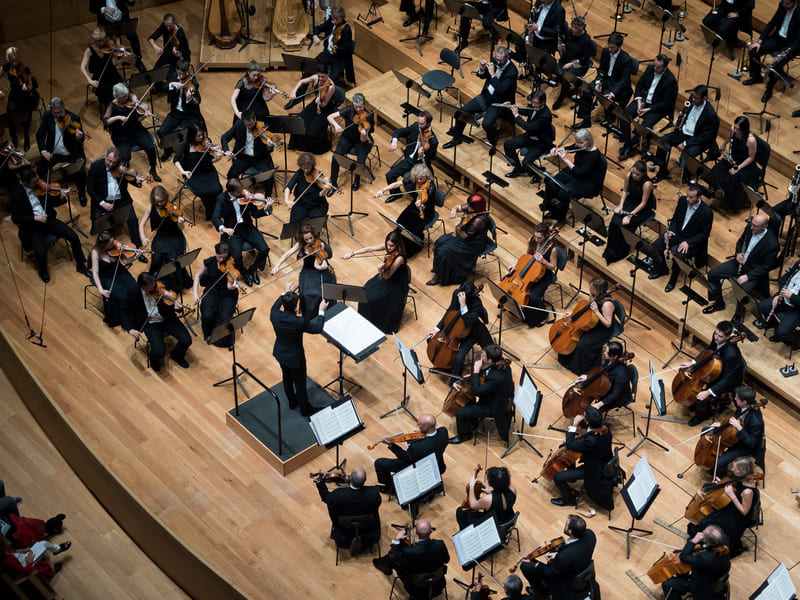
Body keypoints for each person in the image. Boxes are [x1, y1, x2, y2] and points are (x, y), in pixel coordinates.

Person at [10, 168, 90, 283]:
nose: (38, 183)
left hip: (48, 219)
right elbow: (15, 218)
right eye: (34, 182)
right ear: (26, 183)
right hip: (33, 226)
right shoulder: (16, 194)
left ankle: (81, 266)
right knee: (40, 252)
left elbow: (51, 202)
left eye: (37, 179)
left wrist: (61, 197)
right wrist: (34, 218)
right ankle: (43, 272)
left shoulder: (40, 186)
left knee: (73, 236)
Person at [270, 281, 328, 417]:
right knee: (300, 383)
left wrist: (285, 292)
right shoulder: (298, 322)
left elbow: (275, 305)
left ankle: (292, 402)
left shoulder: (274, 315)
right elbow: (317, 328)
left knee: (287, 378)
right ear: (296, 306)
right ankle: (305, 410)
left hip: (280, 353)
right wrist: (321, 311)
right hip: (296, 358)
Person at [442, 46, 518, 149]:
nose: (498, 62)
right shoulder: (494, 61)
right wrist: (482, 69)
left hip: (499, 102)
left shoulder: (512, 72)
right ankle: (457, 138)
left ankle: (493, 140)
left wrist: (493, 74)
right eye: (497, 59)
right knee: (462, 112)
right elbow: (483, 76)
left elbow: (501, 91)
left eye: (501, 60)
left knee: (486, 124)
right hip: (486, 96)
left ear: (508, 57)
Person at [703, 214, 778, 314]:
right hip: (739, 263)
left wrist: (748, 276)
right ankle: (719, 302)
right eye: (751, 224)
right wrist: (738, 253)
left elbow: (766, 267)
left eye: (755, 226)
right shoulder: (749, 228)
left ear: (764, 226)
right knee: (712, 274)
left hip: (753, 271)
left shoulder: (772, 244)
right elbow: (740, 242)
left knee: (742, 291)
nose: (751, 227)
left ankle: (738, 316)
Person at [687, 456, 760, 557]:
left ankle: (710, 542)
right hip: (733, 504)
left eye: (736, 469)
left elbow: (744, 511)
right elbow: (734, 485)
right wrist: (721, 484)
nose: (732, 469)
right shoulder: (743, 476)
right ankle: (705, 539)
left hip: (738, 516)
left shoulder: (748, 491)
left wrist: (732, 495)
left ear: (743, 471)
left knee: (706, 521)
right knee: (707, 489)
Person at [649, 184, 714, 293]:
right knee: (655, 246)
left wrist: (688, 242)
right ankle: (662, 269)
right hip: (677, 233)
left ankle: (672, 281)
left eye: (691, 197)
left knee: (678, 257)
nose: (687, 198)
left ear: (699, 198)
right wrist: (670, 231)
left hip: (690, 241)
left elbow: (704, 234)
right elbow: (675, 219)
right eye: (687, 195)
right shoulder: (682, 200)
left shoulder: (707, 212)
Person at [121, 272, 192, 371]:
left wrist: (177, 308)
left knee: (187, 340)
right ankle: (154, 361)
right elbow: (125, 311)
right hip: (150, 324)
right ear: (142, 287)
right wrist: (130, 329)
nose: (155, 289)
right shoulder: (133, 293)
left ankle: (177, 355)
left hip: (168, 319)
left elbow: (171, 304)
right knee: (158, 351)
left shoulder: (161, 286)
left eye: (154, 286)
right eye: (151, 288)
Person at [679, 320, 745, 426]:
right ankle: (691, 399)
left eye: (720, 336)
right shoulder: (716, 338)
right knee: (685, 370)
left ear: (728, 337)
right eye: (716, 333)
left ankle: (701, 416)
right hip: (716, 368)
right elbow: (709, 350)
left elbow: (728, 379)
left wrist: (709, 391)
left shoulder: (732, 354)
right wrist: (693, 362)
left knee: (702, 399)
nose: (716, 337)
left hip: (728, 380)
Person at [344, 230, 410, 334]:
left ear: (397, 244)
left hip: (395, 282)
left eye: (391, 246)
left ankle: (374, 322)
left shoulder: (399, 258)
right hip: (385, 275)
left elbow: (387, 276)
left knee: (373, 299)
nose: (389, 248)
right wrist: (353, 253)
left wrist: (380, 270)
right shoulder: (388, 247)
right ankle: (365, 319)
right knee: (364, 292)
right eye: (387, 245)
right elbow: (370, 249)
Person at [212, 178, 272, 287]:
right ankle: (244, 273)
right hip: (233, 231)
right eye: (239, 192)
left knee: (264, 249)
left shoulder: (246, 196)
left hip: (248, 227)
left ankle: (253, 269)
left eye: (241, 190)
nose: (242, 193)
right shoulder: (221, 199)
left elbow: (255, 214)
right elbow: (215, 218)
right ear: (231, 192)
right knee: (237, 256)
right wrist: (224, 229)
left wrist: (266, 208)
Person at [520, 514, 597, 600]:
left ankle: (542, 594)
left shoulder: (563, 558)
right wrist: (560, 553)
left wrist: (534, 562)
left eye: (566, 525)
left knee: (525, 567)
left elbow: (550, 574)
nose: (565, 525)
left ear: (570, 532)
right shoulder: (591, 535)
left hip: (565, 583)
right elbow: (574, 549)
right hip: (579, 565)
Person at [449, 344, 515, 444]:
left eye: (483, 356)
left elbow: (477, 391)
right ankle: (472, 421)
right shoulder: (502, 364)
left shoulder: (496, 378)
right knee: (467, 399)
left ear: (490, 360)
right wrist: (474, 376)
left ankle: (465, 435)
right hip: (495, 396)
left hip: (494, 406)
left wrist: (476, 371)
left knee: (460, 413)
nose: (481, 356)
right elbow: (488, 372)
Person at [550, 406, 614, 509]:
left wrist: (574, 424)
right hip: (603, 460)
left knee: (557, 477)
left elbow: (570, 444)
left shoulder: (592, 441)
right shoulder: (604, 427)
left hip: (594, 470)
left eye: (584, 416)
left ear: (587, 422)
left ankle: (569, 500)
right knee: (573, 452)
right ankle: (572, 479)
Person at [654, 85, 720, 183]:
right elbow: (686, 114)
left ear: (704, 98)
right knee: (663, 140)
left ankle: (686, 175)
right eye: (693, 96)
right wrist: (679, 120)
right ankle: (662, 171)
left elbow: (706, 136)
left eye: (696, 98)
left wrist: (685, 143)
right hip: (683, 132)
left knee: (689, 153)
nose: (693, 99)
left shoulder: (710, 113)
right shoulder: (692, 99)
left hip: (697, 139)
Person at [427, 281, 492, 382]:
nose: (459, 296)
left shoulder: (477, 303)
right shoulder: (457, 293)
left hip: (470, 332)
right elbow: (450, 310)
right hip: (454, 330)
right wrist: (436, 329)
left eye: (462, 296)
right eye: (459, 294)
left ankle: (454, 382)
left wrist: (463, 305)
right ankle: (444, 365)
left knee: (459, 358)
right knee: (432, 340)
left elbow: (469, 322)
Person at [87, 148, 146, 255]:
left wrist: (136, 180)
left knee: (133, 220)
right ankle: (107, 252)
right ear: (105, 157)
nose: (111, 164)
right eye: (109, 161)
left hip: (121, 200)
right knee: (100, 226)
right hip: (103, 201)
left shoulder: (122, 166)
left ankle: (137, 249)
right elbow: (90, 189)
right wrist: (102, 203)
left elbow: (130, 178)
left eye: (114, 162)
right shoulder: (95, 167)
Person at [271, 223, 337, 320]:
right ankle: (309, 315)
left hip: (320, 267)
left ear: (314, 235)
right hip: (308, 269)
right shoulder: (300, 244)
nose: (310, 241)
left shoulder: (320, 244)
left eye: (311, 238)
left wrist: (322, 268)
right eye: (307, 239)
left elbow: (316, 265)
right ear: (302, 239)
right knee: (306, 294)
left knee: (322, 293)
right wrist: (277, 266)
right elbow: (287, 254)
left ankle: (326, 312)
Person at [618, 54, 678, 159]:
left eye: (658, 67)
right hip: (644, 101)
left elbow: (666, 103)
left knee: (644, 127)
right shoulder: (650, 68)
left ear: (665, 67)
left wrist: (647, 109)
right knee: (624, 115)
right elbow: (639, 85)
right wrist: (639, 101)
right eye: (654, 65)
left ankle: (629, 146)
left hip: (656, 108)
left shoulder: (670, 80)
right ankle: (628, 144)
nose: (655, 68)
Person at [539, 128, 605, 223]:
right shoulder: (581, 146)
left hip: (587, 181)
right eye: (577, 142)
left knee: (563, 194)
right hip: (574, 172)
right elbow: (572, 147)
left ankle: (560, 218)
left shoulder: (594, 155)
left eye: (581, 143)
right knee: (551, 183)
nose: (578, 145)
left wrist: (565, 159)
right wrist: (560, 150)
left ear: (588, 141)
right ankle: (550, 208)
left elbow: (581, 172)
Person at [373, 519, 450, 599]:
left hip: (416, 589)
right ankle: (384, 564)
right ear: (431, 531)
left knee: (392, 558)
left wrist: (396, 540)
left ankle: (384, 565)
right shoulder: (440, 545)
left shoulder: (408, 552)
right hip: (438, 585)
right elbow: (446, 560)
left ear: (416, 533)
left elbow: (396, 558)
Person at [373, 414, 449, 494]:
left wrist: (391, 445)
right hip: (437, 465)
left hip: (416, 467)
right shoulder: (444, 431)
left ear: (425, 428)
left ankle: (391, 489)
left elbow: (405, 457)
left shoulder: (417, 448)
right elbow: (431, 442)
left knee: (379, 463)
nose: (418, 427)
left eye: (419, 425)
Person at [742, 0, 800, 102]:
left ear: (795, 2)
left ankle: (769, 90)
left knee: (776, 67)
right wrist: (759, 41)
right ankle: (757, 77)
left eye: (787, 4)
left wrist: (785, 53)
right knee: (753, 51)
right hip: (777, 38)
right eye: (784, 2)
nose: (784, 5)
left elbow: (798, 40)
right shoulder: (782, 5)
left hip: (790, 45)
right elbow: (772, 23)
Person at [502, 222, 558, 327]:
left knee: (533, 296)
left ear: (546, 236)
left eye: (539, 238)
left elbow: (553, 267)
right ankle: (514, 307)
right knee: (506, 279)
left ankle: (543, 316)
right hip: (529, 268)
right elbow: (527, 256)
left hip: (544, 274)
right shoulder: (531, 240)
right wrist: (516, 266)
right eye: (535, 236)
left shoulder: (552, 249)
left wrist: (543, 261)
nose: (536, 240)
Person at [557, 277, 617, 375]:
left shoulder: (607, 304)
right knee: (572, 336)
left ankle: (580, 368)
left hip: (602, 329)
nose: (589, 289)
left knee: (582, 344)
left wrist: (597, 311)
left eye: (592, 288)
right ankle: (567, 359)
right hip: (593, 322)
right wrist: (573, 314)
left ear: (598, 290)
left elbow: (608, 323)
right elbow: (587, 309)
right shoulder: (595, 296)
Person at [35, 97, 88, 206]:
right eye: (55, 113)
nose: (58, 115)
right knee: (40, 168)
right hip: (53, 152)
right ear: (51, 110)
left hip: (71, 152)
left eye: (60, 112)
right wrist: (44, 151)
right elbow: (40, 135)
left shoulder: (74, 118)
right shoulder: (47, 116)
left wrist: (79, 138)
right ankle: (45, 191)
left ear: (63, 107)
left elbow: (80, 141)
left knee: (82, 172)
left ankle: (82, 193)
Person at [428, 193, 490, 286]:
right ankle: (439, 270)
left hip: (472, 243)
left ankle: (441, 276)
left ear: (477, 207)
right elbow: (457, 207)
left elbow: (465, 235)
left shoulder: (479, 220)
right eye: (468, 205)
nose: (468, 207)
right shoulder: (471, 208)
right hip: (463, 234)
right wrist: (453, 211)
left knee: (444, 251)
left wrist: (457, 228)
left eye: (470, 206)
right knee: (440, 241)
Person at [103, 83, 160, 182]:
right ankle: (127, 175)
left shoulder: (131, 102)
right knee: (125, 155)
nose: (127, 98)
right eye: (124, 96)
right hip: (121, 135)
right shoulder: (112, 106)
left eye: (126, 95)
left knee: (150, 147)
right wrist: (119, 117)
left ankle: (153, 170)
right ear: (118, 97)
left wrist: (144, 116)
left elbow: (137, 120)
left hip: (136, 130)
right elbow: (106, 121)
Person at [602, 160, 656, 264]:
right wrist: (620, 205)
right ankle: (611, 250)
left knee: (623, 225)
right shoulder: (628, 176)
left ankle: (622, 250)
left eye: (637, 174)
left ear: (643, 173)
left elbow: (644, 203)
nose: (634, 176)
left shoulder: (647, 184)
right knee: (614, 221)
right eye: (633, 173)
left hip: (642, 208)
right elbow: (625, 191)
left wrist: (630, 216)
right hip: (631, 201)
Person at [315, 466, 382, 551]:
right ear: (365, 481)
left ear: (350, 479)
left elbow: (326, 498)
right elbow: (375, 509)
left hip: (344, 531)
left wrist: (321, 482)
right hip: (368, 529)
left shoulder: (337, 495)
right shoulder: (374, 493)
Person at [575, 32, 633, 130]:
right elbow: (601, 69)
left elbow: (623, 80)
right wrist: (598, 82)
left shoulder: (626, 59)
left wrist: (612, 93)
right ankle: (586, 120)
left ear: (619, 46)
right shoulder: (606, 51)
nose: (610, 50)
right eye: (609, 47)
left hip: (617, 84)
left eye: (613, 48)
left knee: (606, 98)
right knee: (587, 90)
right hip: (605, 80)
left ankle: (610, 119)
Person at [376, 164, 436, 257]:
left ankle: (411, 247)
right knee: (400, 223)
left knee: (411, 230)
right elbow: (397, 184)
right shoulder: (415, 179)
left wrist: (421, 205)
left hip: (425, 211)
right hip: (414, 206)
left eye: (421, 179)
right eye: (417, 179)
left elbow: (426, 203)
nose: (419, 181)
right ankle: (398, 243)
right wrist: (383, 189)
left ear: (427, 177)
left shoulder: (431, 187)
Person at [138, 185, 189, 291]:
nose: (160, 204)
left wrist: (180, 223)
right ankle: (155, 282)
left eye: (161, 201)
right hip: (161, 237)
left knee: (172, 259)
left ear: (166, 198)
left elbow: (181, 228)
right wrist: (143, 238)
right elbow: (141, 224)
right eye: (157, 202)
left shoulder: (173, 208)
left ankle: (175, 285)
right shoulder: (150, 208)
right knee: (156, 258)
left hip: (175, 237)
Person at [661, 525, 731, 600]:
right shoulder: (724, 542)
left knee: (667, 584)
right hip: (714, 577)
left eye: (703, 533)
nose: (701, 532)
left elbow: (683, 557)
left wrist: (693, 541)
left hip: (701, 586)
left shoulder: (706, 558)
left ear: (707, 542)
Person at [192, 242, 241, 344]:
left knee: (225, 319)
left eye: (224, 257)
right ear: (215, 253)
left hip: (227, 294)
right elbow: (197, 276)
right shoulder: (209, 262)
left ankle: (220, 338)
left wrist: (233, 286)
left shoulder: (230, 263)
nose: (222, 260)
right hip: (212, 291)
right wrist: (195, 294)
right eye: (219, 257)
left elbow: (229, 286)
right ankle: (208, 334)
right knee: (208, 315)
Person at [90, 231, 141, 327]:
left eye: (113, 241)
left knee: (134, 288)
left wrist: (135, 257)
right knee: (121, 296)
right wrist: (101, 290)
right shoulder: (95, 252)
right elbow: (95, 273)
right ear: (103, 245)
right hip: (106, 277)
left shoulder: (117, 246)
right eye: (111, 243)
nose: (114, 244)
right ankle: (124, 319)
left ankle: (136, 315)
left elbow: (125, 261)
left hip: (119, 272)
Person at [173, 124, 224, 219]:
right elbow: (176, 160)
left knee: (218, 189)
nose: (201, 137)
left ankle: (216, 210)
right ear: (192, 135)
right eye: (198, 136)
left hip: (208, 171)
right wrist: (183, 172)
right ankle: (212, 211)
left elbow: (210, 161)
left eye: (202, 135)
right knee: (204, 192)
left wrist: (218, 157)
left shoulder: (206, 142)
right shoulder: (185, 145)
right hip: (193, 174)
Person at [327, 92, 374, 193]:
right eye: (356, 107)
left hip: (361, 142)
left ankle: (356, 181)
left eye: (360, 107)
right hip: (347, 138)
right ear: (353, 105)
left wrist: (363, 134)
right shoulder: (348, 110)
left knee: (360, 163)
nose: (358, 110)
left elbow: (363, 140)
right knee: (336, 158)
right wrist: (336, 125)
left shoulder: (368, 116)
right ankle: (333, 184)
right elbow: (329, 117)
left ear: (364, 104)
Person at [710, 386, 765, 472]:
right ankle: (708, 457)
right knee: (708, 431)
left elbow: (751, 442)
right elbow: (736, 418)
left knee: (719, 463)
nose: (735, 398)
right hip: (734, 435)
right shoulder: (742, 406)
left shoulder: (756, 421)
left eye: (737, 398)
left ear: (744, 402)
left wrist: (739, 427)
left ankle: (722, 478)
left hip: (744, 445)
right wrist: (722, 425)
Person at [157, 60, 204, 160]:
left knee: (181, 133)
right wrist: (172, 84)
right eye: (179, 73)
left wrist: (190, 98)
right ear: (176, 70)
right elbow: (164, 88)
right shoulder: (174, 76)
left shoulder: (193, 81)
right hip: (175, 113)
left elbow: (198, 100)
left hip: (189, 115)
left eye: (184, 74)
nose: (182, 76)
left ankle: (186, 154)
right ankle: (168, 150)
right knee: (161, 131)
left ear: (187, 71)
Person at [287, 64, 337, 154]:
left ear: (328, 74)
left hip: (325, 108)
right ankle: (297, 145)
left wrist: (320, 101)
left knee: (312, 133)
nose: (320, 79)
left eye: (323, 76)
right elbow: (302, 81)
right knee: (298, 121)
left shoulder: (330, 87)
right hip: (315, 104)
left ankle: (312, 147)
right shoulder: (316, 77)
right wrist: (294, 91)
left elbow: (324, 104)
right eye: (319, 76)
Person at [712, 116, 760, 211]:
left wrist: (738, 168)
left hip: (745, 165)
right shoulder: (733, 129)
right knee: (715, 170)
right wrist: (724, 144)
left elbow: (751, 157)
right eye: (735, 127)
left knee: (733, 179)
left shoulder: (751, 140)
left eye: (738, 129)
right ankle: (719, 192)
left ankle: (731, 201)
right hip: (733, 159)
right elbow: (729, 138)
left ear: (744, 129)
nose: (735, 130)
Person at [503, 90, 554, 180]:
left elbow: (529, 127)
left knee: (526, 163)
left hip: (540, 142)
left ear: (543, 102)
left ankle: (538, 174)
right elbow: (525, 111)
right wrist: (510, 107)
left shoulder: (545, 115)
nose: (533, 105)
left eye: (535, 103)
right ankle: (518, 169)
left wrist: (516, 115)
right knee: (508, 145)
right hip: (530, 137)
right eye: (532, 102)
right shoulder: (534, 106)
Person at [220, 108, 276, 183]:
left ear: (255, 118)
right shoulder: (238, 125)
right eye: (246, 125)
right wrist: (226, 150)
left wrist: (269, 147)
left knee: (269, 175)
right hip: (243, 157)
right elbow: (224, 137)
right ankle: (235, 192)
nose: (249, 127)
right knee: (231, 175)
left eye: (251, 124)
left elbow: (269, 150)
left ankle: (268, 194)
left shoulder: (262, 127)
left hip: (260, 158)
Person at [551, 16, 595, 111]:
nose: (573, 29)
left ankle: (561, 97)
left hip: (579, 63)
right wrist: (562, 46)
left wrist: (571, 64)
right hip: (567, 58)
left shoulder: (586, 40)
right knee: (554, 73)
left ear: (581, 28)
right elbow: (566, 43)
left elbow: (585, 57)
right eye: (572, 26)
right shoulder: (570, 33)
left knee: (566, 77)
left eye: (575, 28)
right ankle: (563, 82)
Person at [88, 0, 145, 73]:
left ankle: (138, 59)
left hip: (122, 19)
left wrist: (131, 1)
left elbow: (131, 3)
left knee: (133, 35)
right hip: (105, 22)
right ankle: (104, 64)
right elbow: (92, 8)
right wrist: (104, 9)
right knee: (101, 40)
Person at [1, 48, 39, 152]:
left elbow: (31, 85)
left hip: (26, 95)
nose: (15, 63)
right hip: (14, 94)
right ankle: (14, 136)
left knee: (27, 113)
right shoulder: (6, 67)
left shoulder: (25, 68)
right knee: (10, 111)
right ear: (8, 59)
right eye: (12, 61)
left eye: (16, 60)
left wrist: (27, 88)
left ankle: (26, 136)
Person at [80, 27, 127, 108]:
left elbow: (115, 63)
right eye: (99, 41)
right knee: (110, 100)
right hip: (100, 78)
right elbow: (82, 66)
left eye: (103, 40)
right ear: (94, 40)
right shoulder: (89, 51)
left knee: (123, 95)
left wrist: (124, 57)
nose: (102, 42)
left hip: (113, 75)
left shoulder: (110, 45)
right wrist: (89, 80)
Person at [386, 111, 438, 185]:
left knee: (411, 185)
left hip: (421, 165)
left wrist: (422, 155)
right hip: (409, 160)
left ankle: (416, 196)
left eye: (422, 124)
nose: (419, 125)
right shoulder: (415, 126)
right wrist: (394, 141)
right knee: (389, 176)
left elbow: (432, 157)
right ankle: (396, 195)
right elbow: (398, 131)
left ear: (429, 123)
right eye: (419, 122)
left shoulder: (433, 140)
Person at [757, 257, 800, 344]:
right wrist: (778, 295)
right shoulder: (799, 264)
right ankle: (775, 326)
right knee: (760, 307)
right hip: (783, 299)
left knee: (782, 333)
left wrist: (791, 296)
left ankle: (795, 342)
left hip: (797, 309)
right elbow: (785, 278)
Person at [284, 152, 333, 223]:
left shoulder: (318, 175)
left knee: (315, 224)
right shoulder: (300, 173)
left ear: (312, 165)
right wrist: (287, 200)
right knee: (294, 223)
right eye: (304, 168)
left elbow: (320, 195)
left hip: (316, 205)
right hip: (302, 203)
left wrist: (325, 190)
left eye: (308, 168)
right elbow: (288, 187)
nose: (306, 170)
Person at [310, 6, 354, 85]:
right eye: (333, 19)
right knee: (310, 67)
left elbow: (346, 49)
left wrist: (335, 47)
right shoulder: (331, 21)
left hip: (339, 58)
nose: (334, 21)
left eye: (336, 19)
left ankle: (325, 95)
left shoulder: (346, 29)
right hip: (327, 54)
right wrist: (315, 36)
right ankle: (298, 95)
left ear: (342, 18)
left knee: (332, 79)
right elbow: (318, 28)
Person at [589, 342, 633, 412]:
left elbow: (615, 395)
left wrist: (599, 404)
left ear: (615, 356)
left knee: (591, 413)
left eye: (606, 352)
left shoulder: (622, 373)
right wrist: (588, 377)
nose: (604, 353)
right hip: (608, 388)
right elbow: (602, 371)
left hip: (618, 396)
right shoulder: (609, 360)